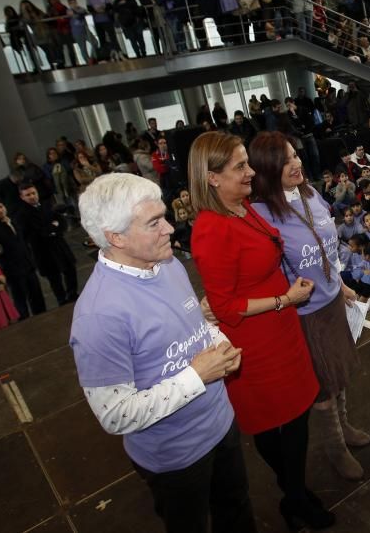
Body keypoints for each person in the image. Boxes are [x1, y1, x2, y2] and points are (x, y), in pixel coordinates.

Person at [69, 173, 253, 533]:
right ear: (115, 237)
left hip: (221, 425)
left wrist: (217, 341)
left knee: (238, 510)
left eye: (164, 216)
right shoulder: (98, 316)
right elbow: (116, 415)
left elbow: (193, 326)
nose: (170, 228)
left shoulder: (167, 264)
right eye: (154, 222)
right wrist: (197, 376)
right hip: (175, 459)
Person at [188, 132, 333, 529]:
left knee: (298, 414)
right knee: (274, 424)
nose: (251, 172)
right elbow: (225, 307)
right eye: (240, 167)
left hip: (282, 328)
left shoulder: (243, 207)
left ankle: (295, 490)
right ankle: (296, 495)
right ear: (212, 178)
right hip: (256, 342)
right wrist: (285, 300)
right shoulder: (211, 229)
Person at [247, 132, 370, 481]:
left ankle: (344, 428)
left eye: (296, 155)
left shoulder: (311, 194)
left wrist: (342, 286)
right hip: (303, 314)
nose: (297, 163)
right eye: (286, 161)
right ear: (267, 169)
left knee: (339, 375)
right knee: (322, 386)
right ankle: (335, 448)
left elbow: (327, 251)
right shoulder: (260, 214)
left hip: (332, 302)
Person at [0, 196, 46, 319]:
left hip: (28, 266)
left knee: (37, 296)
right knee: (20, 299)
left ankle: (42, 317)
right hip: (13, 271)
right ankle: (25, 322)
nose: (0, 210)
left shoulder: (13, 221)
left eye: (1, 207)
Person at [15, 181, 78, 305]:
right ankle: (62, 299)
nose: (32, 196)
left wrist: (53, 229)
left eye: (33, 193)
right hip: (43, 250)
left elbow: (60, 222)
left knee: (70, 268)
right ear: (22, 197)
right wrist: (51, 227)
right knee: (54, 277)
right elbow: (37, 232)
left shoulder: (46, 205)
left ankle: (72, 294)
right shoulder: (21, 215)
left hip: (58, 244)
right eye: (28, 195)